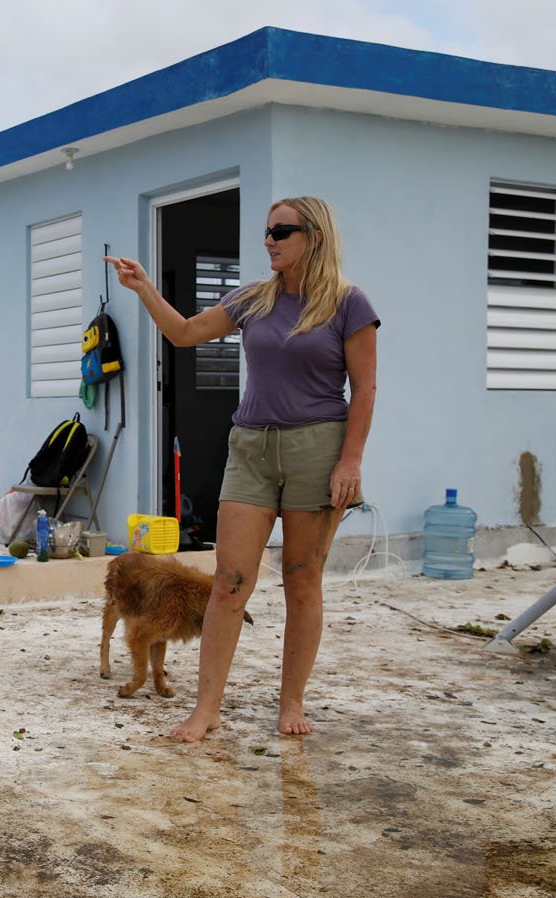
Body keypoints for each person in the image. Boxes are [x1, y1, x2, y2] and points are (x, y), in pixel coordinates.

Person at [105, 196, 378, 742]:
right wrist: (145, 290)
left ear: (315, 236)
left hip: (317, 451)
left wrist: (350, 460)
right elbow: (184, 333)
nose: (269, 240)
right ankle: (207, 709)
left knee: (302, 583)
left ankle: (291, 702)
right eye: (267, 231)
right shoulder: (254, 298)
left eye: (281, 231)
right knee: (229, 584)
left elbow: (365, 388)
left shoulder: (349, 304)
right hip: (250, 450)